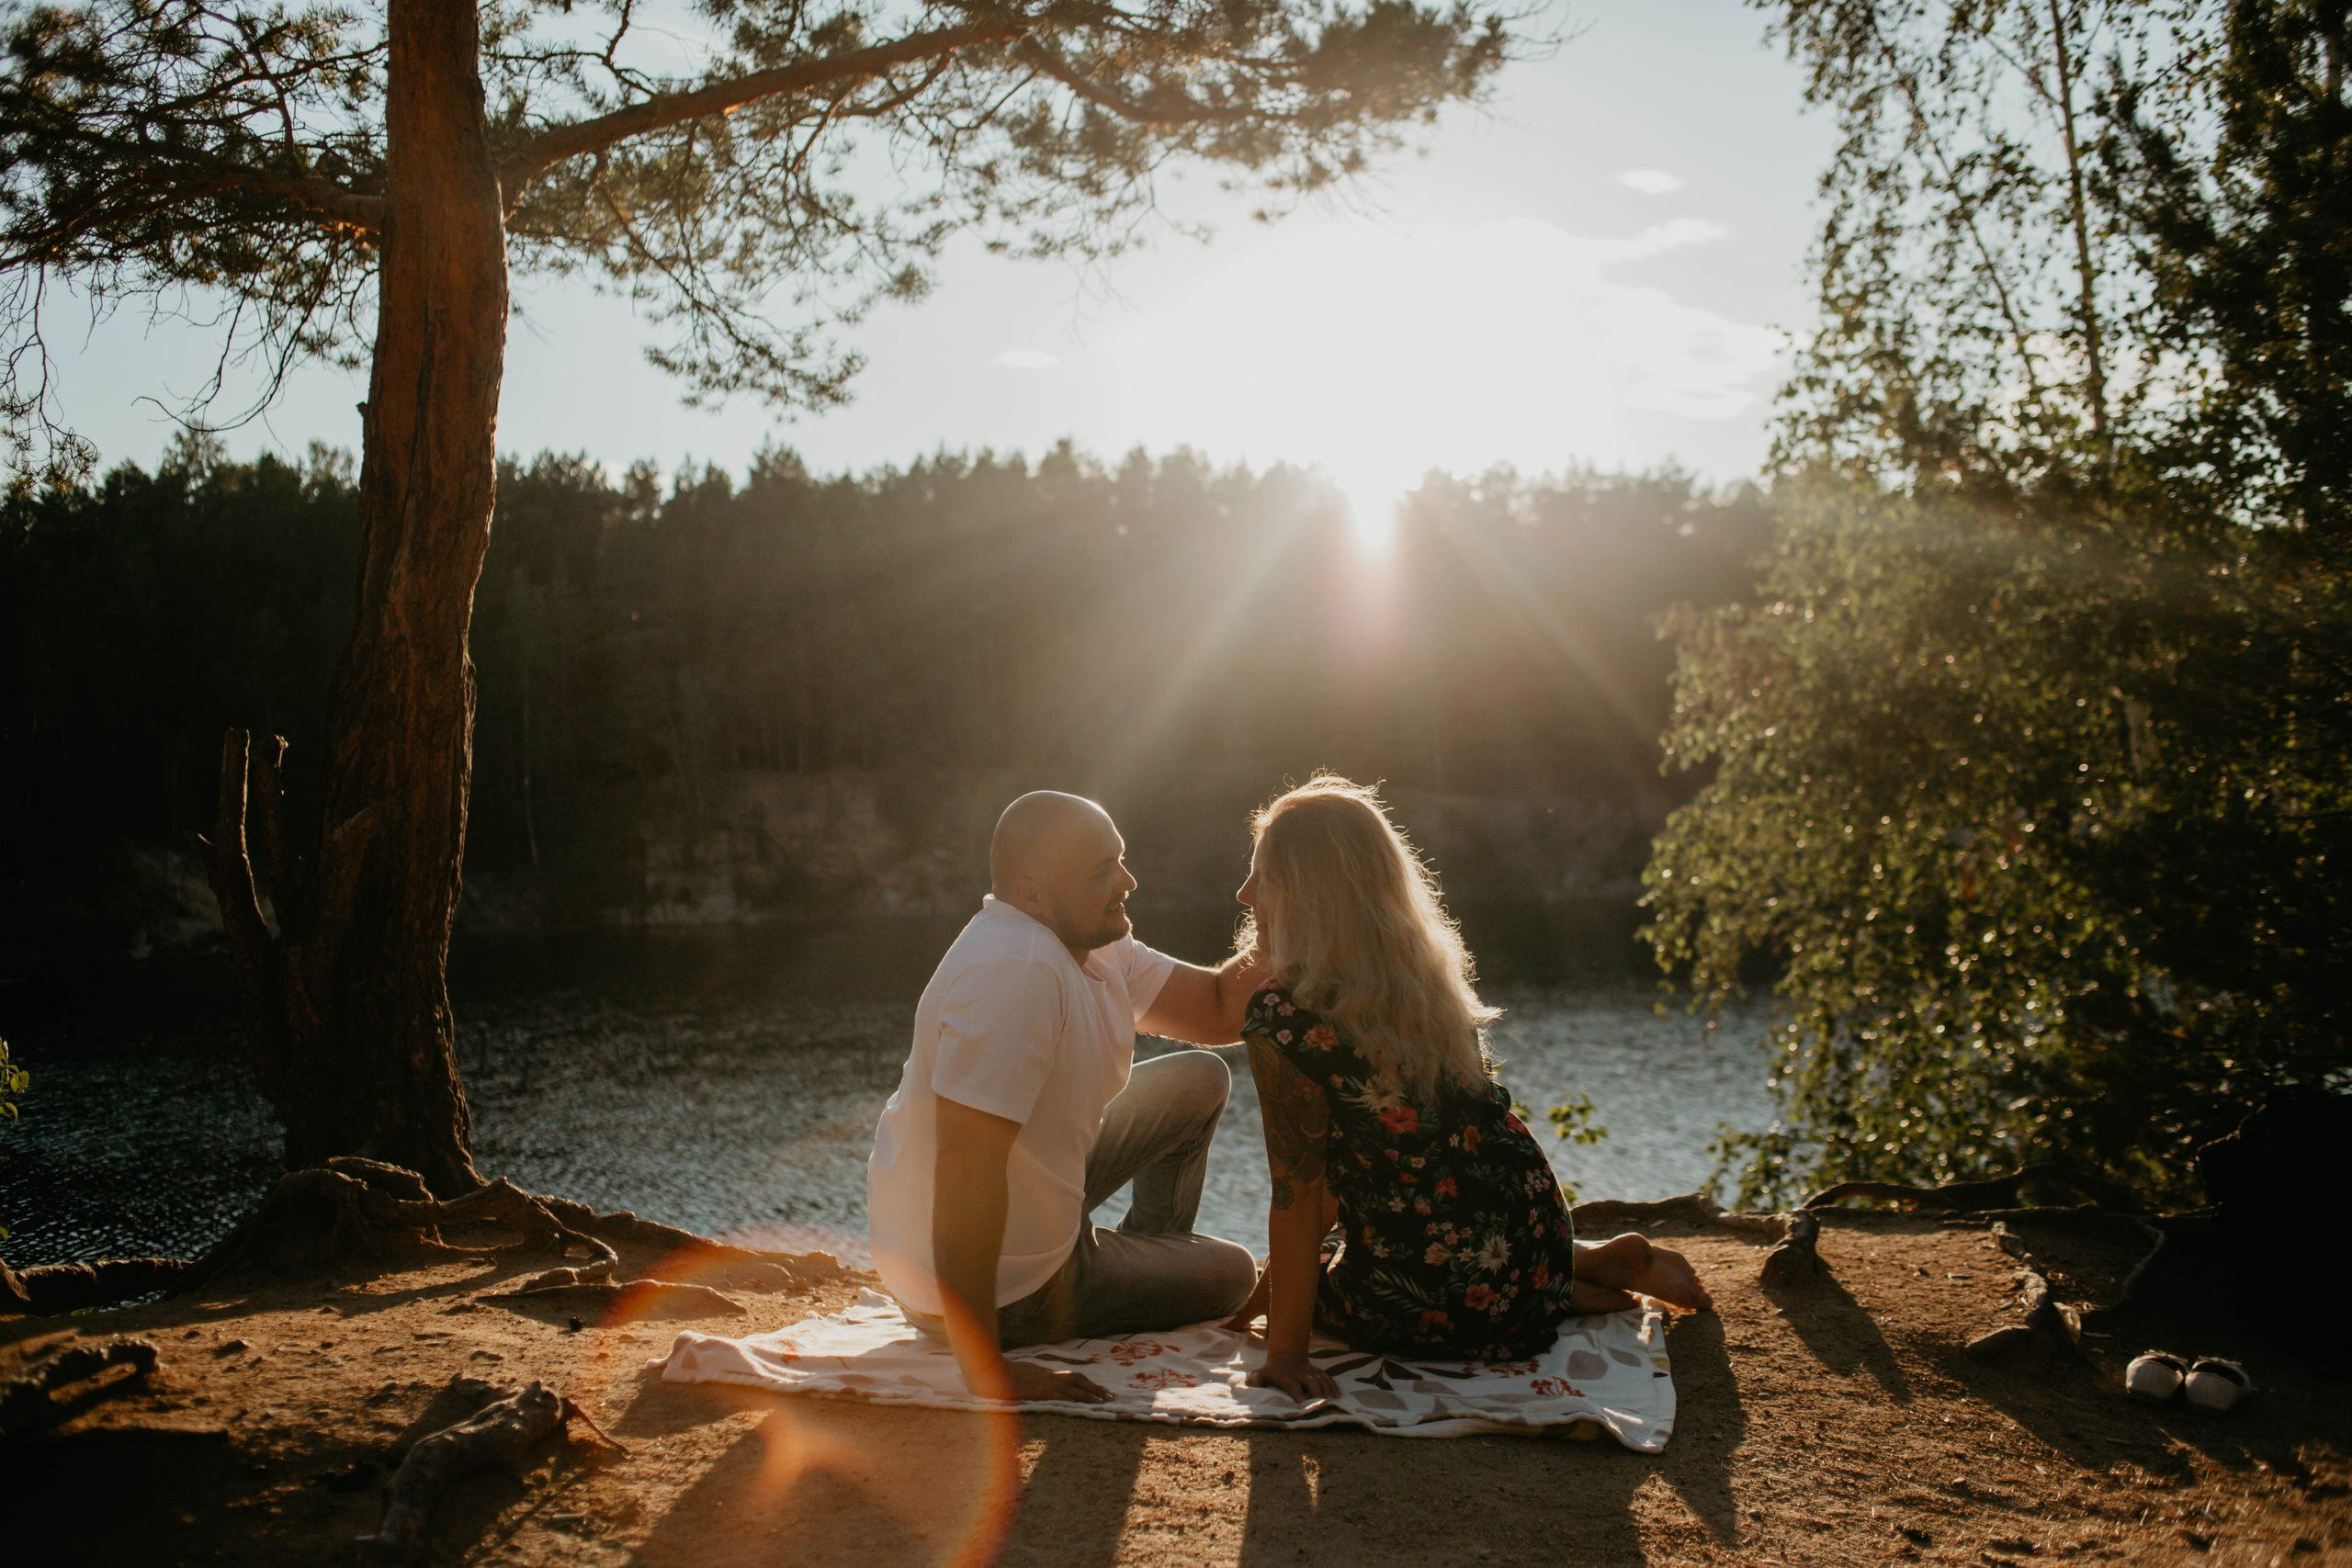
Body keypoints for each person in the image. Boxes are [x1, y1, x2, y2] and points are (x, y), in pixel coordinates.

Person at [1223, 775, 1713, 1403]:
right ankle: (1571, 1267)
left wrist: (1282, 1346)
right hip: (1530, 1231)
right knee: (1453, 1247)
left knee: (1324, 1291)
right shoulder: (1424, 977)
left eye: (1261, 877)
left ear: (1305, 894)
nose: (1244, 895)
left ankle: (1579, 1274)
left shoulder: (1282, 1014)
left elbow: (1301, 1193)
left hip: (1444, 1299)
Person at [866, 790, 1264, 1404]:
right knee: (1235, 1273)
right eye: (1100, 872)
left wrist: (1295, 916)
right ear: (1030, 895)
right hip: (1004, 1287)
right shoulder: (1015, 971)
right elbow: (965, 1167)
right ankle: (1103, 1284)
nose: (1127, 882)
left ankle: (1135, 1263)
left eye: (1120, 859)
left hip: (1025, 1211)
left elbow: (1218, 1009)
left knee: (1199, 1079)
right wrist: (986, 1369)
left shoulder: (1097, 945)